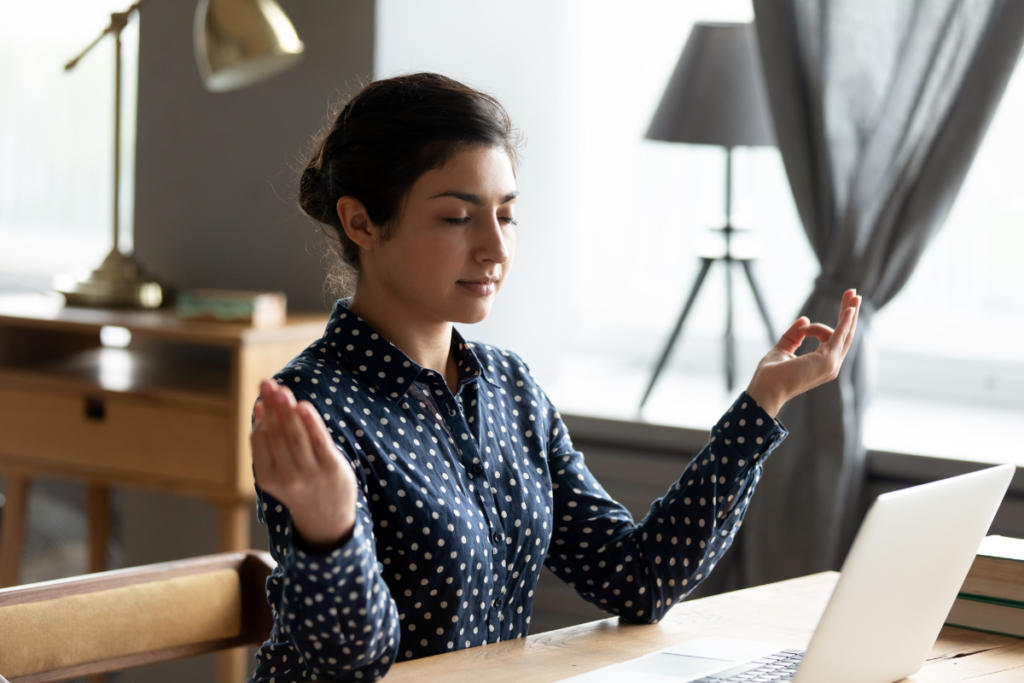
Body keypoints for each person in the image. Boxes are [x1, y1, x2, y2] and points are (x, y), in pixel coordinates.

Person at [247, 72, 861, 683]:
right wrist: (331, 535)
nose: (495, 247)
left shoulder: (509, 388)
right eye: (458, 217)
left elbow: (638, 578)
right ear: (361, 223)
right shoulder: (314, 407)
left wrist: (763, 404)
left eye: (507, 215)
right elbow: (352, 667)